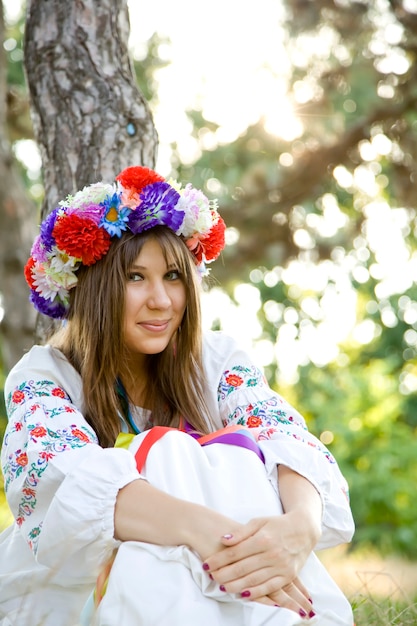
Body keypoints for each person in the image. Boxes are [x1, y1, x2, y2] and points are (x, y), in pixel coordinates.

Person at [0, 165, 355, 626]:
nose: (162, 301)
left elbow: (282, 436)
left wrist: (299, 528)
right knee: (165, 455)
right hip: (91, 585)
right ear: (91, 288)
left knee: (241, 457)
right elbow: (67, 486)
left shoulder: (215, 360)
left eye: (173, 275)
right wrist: (213, 535)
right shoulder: (47, 376)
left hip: (222, 573)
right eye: (134, 278)